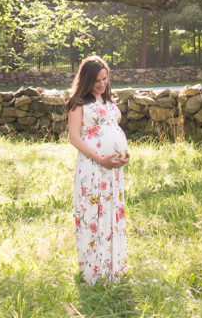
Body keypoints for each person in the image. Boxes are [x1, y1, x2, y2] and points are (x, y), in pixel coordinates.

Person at [66, 55, 130, 286]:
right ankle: (94, 272)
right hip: (92, 168)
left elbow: (113, 129)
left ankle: (113, 268)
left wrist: (123, 154)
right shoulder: (78, 104)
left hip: (112, 171)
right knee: (94, 215)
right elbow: (74, 138)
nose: (102, 84)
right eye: (97, 81)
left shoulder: (108, 102)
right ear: (86, 81)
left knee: (111, 213)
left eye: (105, 79)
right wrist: (99, 158)